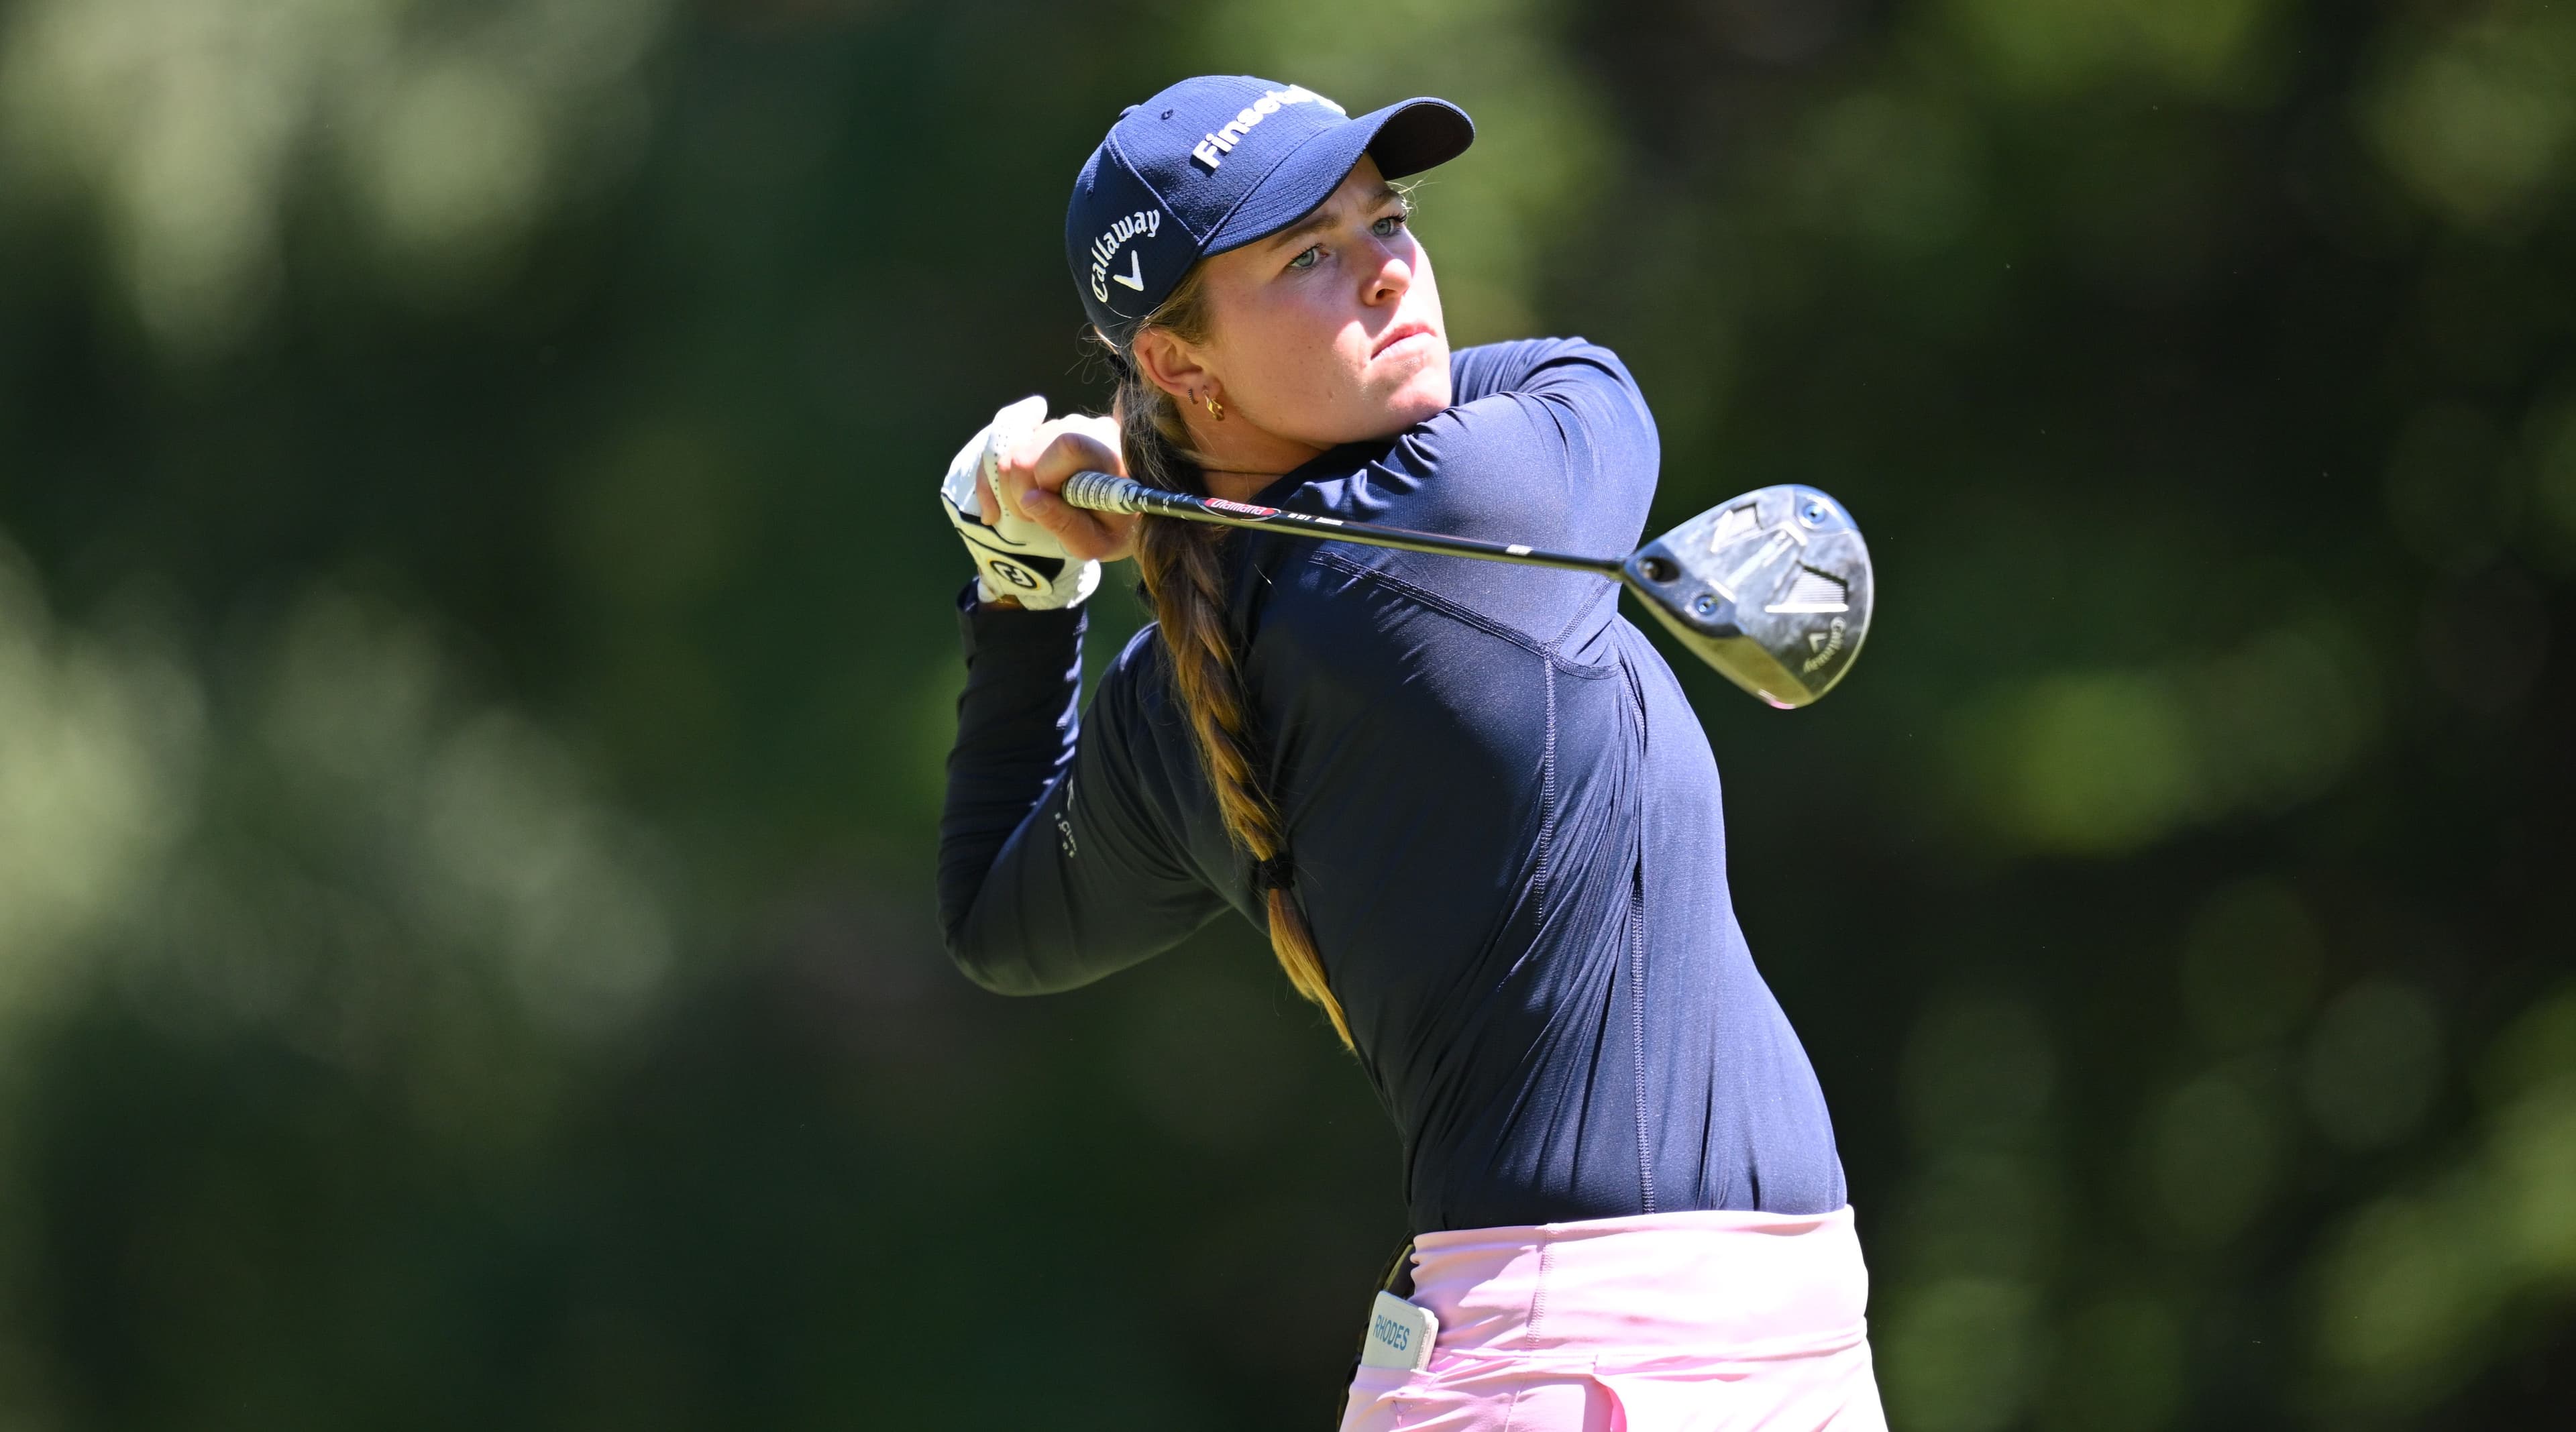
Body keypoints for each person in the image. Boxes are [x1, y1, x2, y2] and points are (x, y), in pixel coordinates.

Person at [934, 74, 1887, 1431]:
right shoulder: (1466, 516)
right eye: (1309, 256)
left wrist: (1026, 594)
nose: (1388, 273)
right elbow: (1591, 381)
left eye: (1388, 219)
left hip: (1662, 1359)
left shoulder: (1180, 688)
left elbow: (999, 918)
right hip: (1598, 1375)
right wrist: (1166, 507)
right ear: (1176, 364)